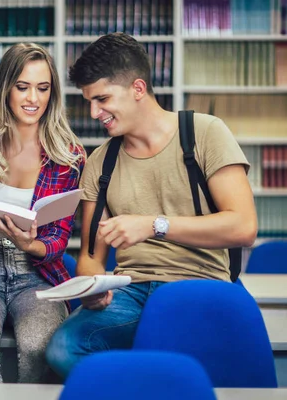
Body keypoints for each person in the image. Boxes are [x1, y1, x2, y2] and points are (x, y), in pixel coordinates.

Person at [45, 32, 258, 379]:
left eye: (102, 99)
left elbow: (244, 227)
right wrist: (90, 288)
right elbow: (91, 256)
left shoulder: (204, 133)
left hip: (199, 284)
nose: (94, 112)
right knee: (63, 348)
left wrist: (155, 224)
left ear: (138, 89)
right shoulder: (101, 163)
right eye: (89, 101)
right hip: (130, 292)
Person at [0, 42, 86, 383]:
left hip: (36, 274)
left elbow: (59, 238)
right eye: (22, 87)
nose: (32, 99)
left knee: (38, 348)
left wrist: (30, 245)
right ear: (5, 89)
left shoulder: (68, 155)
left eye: (43, 88)